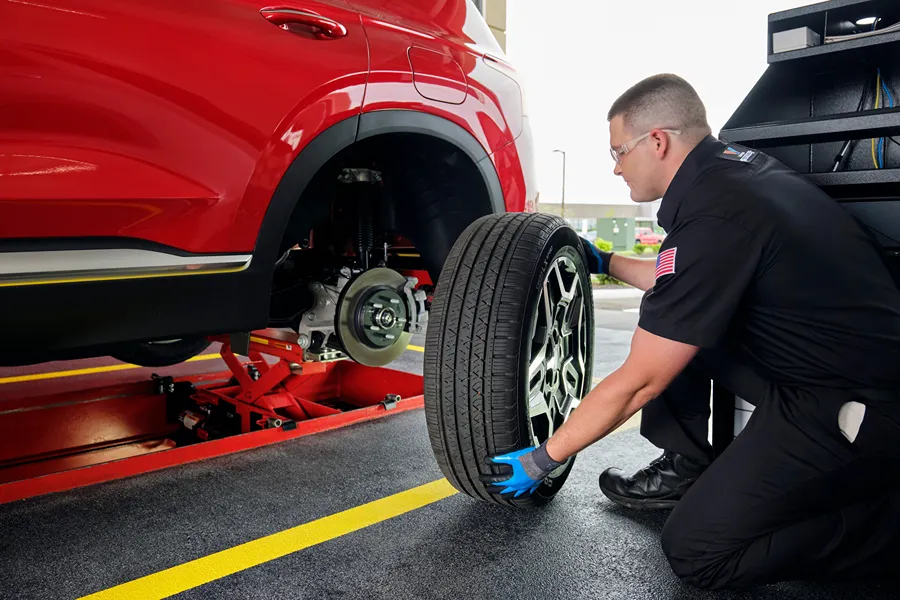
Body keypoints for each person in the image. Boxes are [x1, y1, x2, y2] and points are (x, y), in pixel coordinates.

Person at [481, 73, 900, 590]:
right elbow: (678, 278)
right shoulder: (733, 176)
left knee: (697, 551)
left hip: (856, 406)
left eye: (619, 152)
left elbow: (640, 382)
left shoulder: (715, 217)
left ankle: (882, 531)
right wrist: (606, 259)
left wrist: (546, 456)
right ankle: (685, 464)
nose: (615, 168)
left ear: (658, 141)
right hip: (821, 368)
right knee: (671, 316)